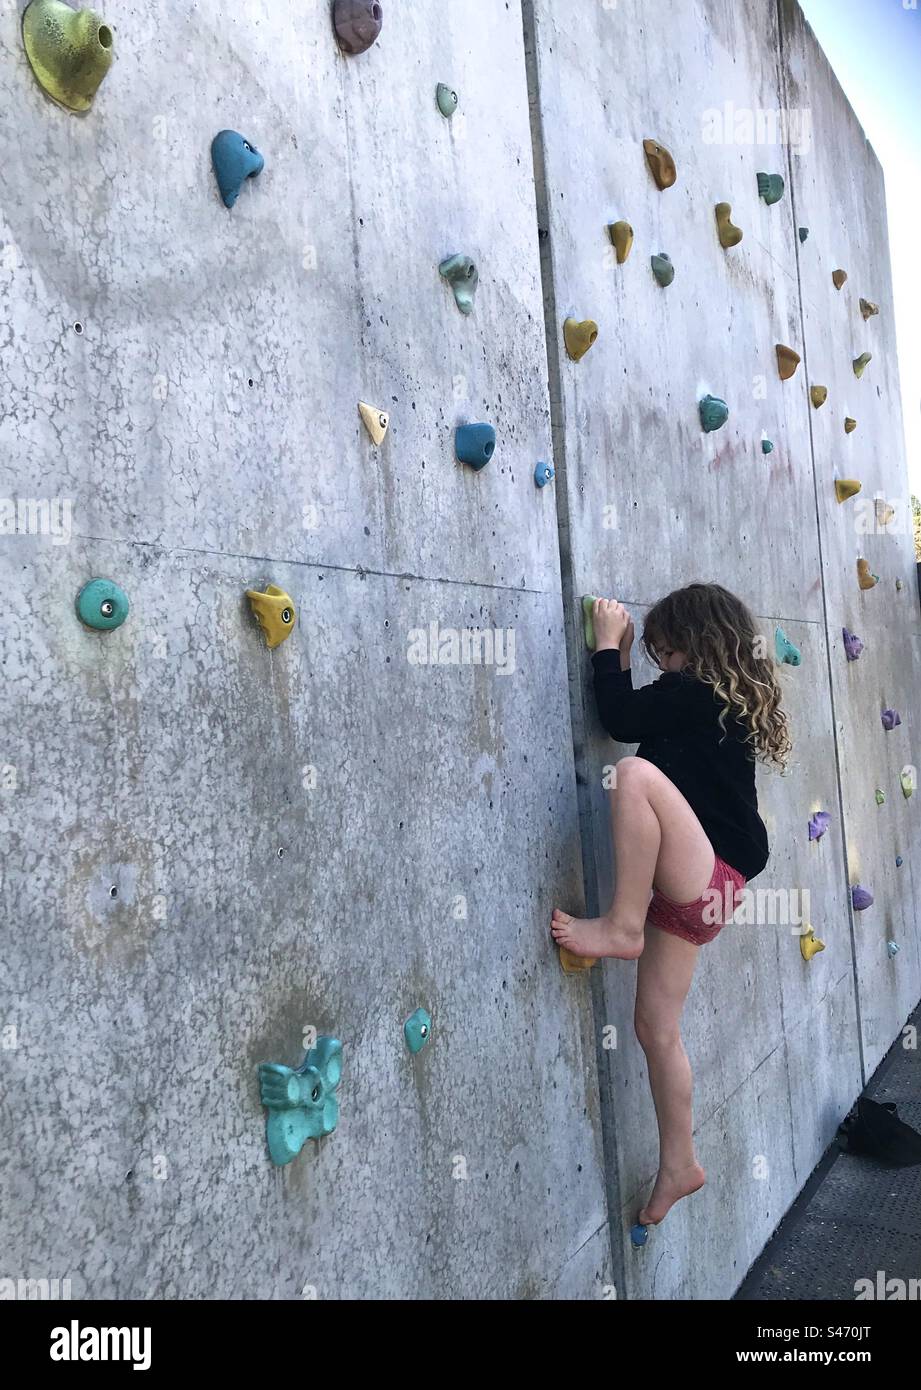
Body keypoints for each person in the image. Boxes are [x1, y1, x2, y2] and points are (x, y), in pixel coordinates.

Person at [551, 582, 790, 1227]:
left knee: (633, 774)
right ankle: (679, 1162)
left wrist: (608, 646)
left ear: (690, 645)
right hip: (708, 894)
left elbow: (622, 721)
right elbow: (640, 715)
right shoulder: (721, 705)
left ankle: (621, 926)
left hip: (701, 876)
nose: (659, 664)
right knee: (656, 1029)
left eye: (662, 652)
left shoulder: (692, 695)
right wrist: (625, 658)